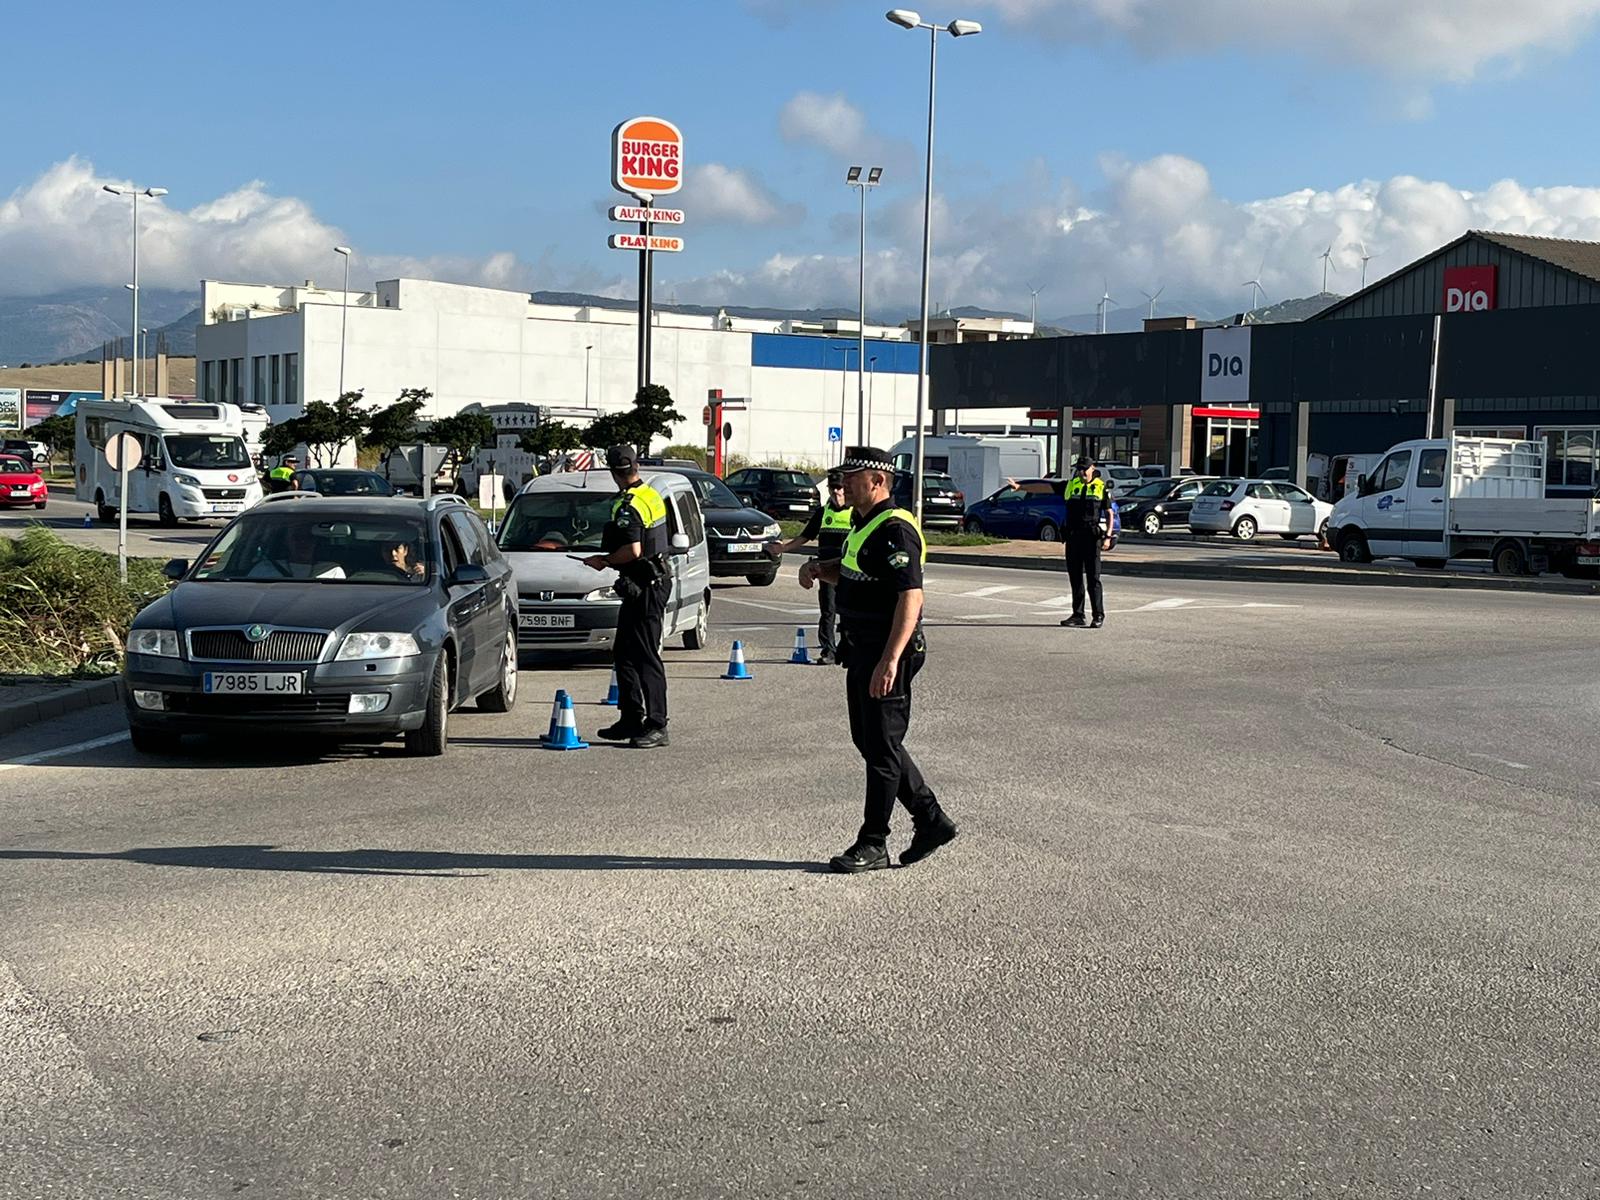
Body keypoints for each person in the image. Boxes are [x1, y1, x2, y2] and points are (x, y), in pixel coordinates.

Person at [799, 446, 956, 874]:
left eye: (852, 477)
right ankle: (931, 820)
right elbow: (858, 573)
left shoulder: (895, 528)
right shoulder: (862, 522)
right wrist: (819, 568)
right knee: (871, 742)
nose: (843, 484)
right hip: (862, 648)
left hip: (889, 649)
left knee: (882, 748)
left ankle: (874, 841)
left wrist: (890, 660)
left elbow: (910, 596)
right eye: (843, 478)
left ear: (878, 482)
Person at [582, 444, 671, 749]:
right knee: (624, 652)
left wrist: (603, 560)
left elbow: (632, 550)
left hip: (645, 585)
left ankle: (657, 724)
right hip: (650, 579)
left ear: (612, 472)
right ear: (636, 466)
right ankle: (632, 718)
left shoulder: (628, 505)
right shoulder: (651, 495)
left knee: (645, 655)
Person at [766, 470, 853, 663]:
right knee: (828, 611)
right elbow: (805, 536)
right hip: (826, 570)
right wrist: (784, 548)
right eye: (833, 488)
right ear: (829, 490)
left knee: (848, 610)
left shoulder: (855, 512)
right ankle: (828, 651)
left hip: (848, 570)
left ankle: (848, 648)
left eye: (840, 488)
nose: (837, 493)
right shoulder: (823, 512)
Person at [1056, 455, 1113, 628]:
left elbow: (1110, 513)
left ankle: (1098, 615)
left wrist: (1108, 537)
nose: (1081, 472)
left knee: (1093, 579)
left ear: (1092, 468)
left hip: (1091, 538)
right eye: (1078, 469)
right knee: (1075, 578)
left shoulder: (1101, 488)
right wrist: (1020, 486)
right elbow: (1046, 487)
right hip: (1073, 537)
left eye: (1084, 469)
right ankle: (1078, 615)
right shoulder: (1072, 485)